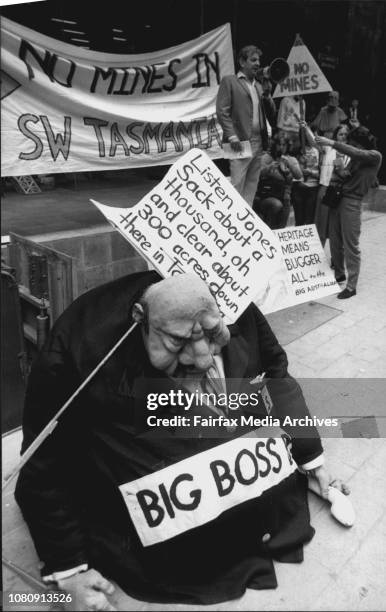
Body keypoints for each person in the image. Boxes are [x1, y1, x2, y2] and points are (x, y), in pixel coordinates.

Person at [15, 271, 349, 610]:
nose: (203, 359)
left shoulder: (239, 306)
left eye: (213, 335)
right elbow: (45, 463)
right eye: (179, 343)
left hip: (266, 523)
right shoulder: (81, 344)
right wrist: (69, 570)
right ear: (139, 319)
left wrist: (311, 459)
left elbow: (277, 378)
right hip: (158, 563)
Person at [315, 126, 382, 298]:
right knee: (335, 239)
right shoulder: (358, 158)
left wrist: (332, 142)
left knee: (351, 245)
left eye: (353, 143)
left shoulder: (375, 155)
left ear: (361, 143)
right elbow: (350, 172)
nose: (351, 146)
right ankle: (339, 273)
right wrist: (341, 171)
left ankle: (352, 286)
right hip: (339, 198)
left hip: (352, 203)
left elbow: (358, 154)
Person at [216, 45, 277, 206]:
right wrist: (232, 135)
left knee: (251, 185)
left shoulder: (258, 85)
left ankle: (244, 221)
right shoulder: (229, 81)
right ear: (242, 62)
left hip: (258, 142)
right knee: (236, 185)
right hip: (239, 142)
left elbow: (271, 113)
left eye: (259, 60)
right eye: (253, 60)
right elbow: (222, 112)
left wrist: (268, 95)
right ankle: (230, 221)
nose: (258, 63)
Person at [254, 133, 303, 229]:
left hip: (285, 197)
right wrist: (270, 167)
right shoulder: (267, 158)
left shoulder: (291, 159)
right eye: (279, 144)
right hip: (266, 195)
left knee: (281, 227)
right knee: (276, 205)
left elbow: (299, 175)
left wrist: (289, 163)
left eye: (284, 145)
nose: (281, 147)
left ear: (288, 146)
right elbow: (257, 175)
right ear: (274, 145)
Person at [315, 124, 350, 247]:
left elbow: (349, 174)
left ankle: (336, 259)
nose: (343, 137)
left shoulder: (350, 152)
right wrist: (305, 128)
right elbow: (314, 141)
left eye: (345, 134)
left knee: (336, 226)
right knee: (322, 224)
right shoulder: (329, 149)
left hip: (341, 191)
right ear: (336, 135)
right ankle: (319, 254)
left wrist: (341, 170)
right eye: (341, 134)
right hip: (326, 188)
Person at [291, 124, 321, 226]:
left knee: (310, 220)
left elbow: (322, 172)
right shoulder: (294, 150)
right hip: (298, 187)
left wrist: (311, 172)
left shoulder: (319, 151)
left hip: (313, 187)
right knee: (299, 220)